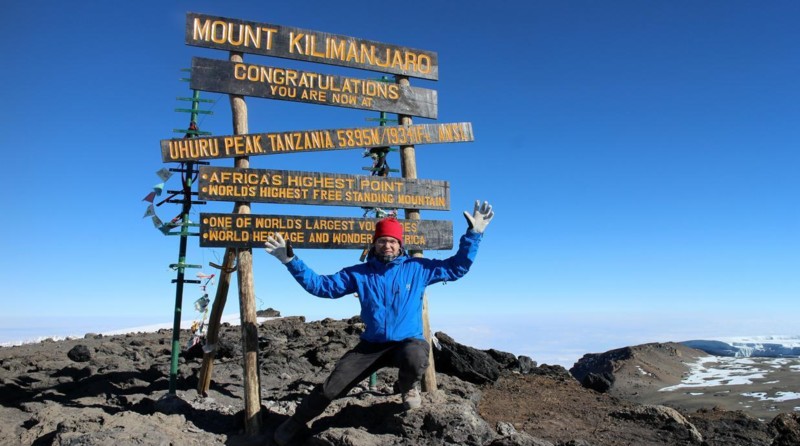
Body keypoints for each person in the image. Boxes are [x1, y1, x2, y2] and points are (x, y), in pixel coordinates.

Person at [263, 200, 494, 445]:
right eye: (383, 240)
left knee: (416, 356)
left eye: (393, 241)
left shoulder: (418, 268)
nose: (388, 245)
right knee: (331, 388)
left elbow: (457, 268)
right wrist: (291, 261)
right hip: (371, 345)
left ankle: (407, 386)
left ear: (400, 245)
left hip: (407, 340)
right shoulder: (359, 273)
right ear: (375, 243)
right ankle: (294, 423)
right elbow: (322, 287)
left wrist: (474, 234)